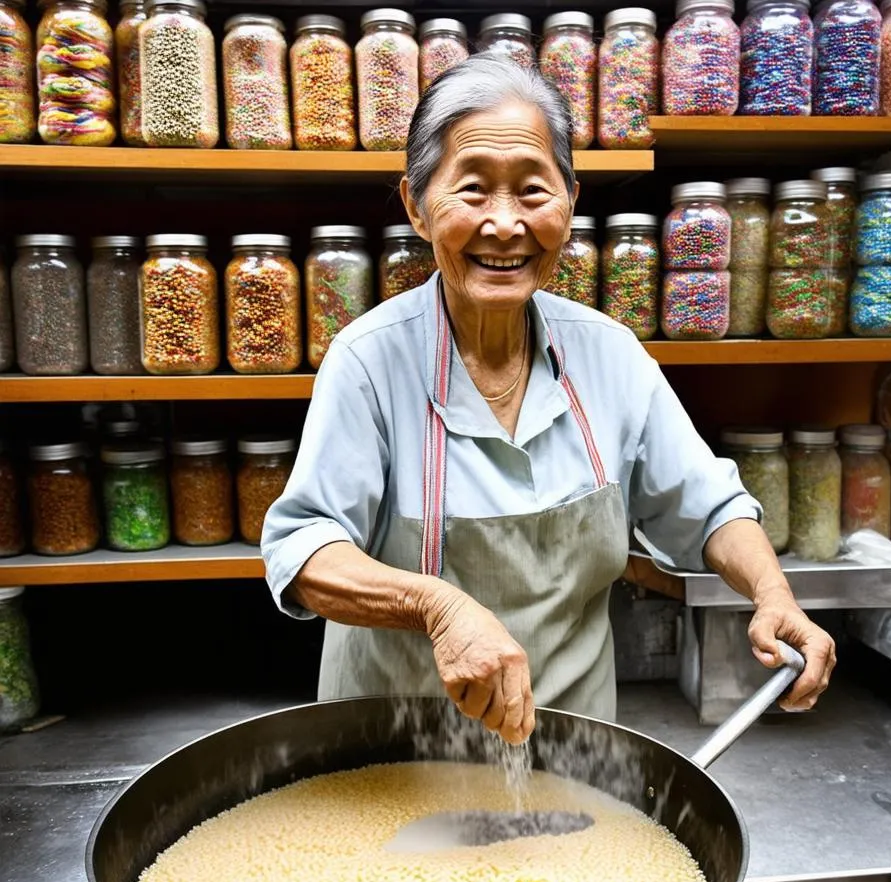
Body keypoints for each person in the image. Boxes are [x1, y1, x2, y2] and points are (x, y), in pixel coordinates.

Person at [262, 54, 835, 746]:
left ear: (570, 202)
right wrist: (438, 607)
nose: (504, 225)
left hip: (577, 752)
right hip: (394, 750)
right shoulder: (369, 360)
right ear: (416, 205)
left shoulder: (609, 353)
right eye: (472, 191)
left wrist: (773, 595)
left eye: (533, 192)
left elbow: (709, 506)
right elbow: (305, 552)